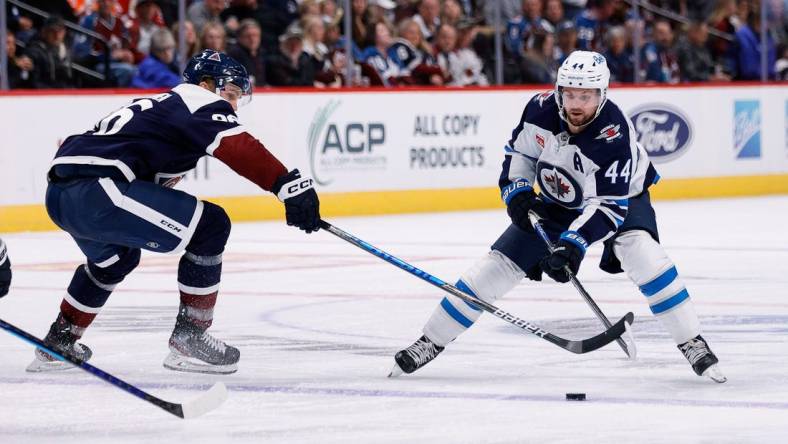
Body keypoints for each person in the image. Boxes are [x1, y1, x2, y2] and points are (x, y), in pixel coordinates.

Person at [391, 50, 726, 384]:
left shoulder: (613, 134)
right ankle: (429, 341)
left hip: (622, 198)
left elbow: (608, 207)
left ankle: (691, 341)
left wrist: (572, 245)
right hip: (558, 197)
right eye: (570, 94)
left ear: (602, 94)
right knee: (493, 269)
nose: (577, 104)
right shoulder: (540, 109)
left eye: (586, 96)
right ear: (558, 91)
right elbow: (520, 153)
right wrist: (518, 191)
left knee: (645, 258)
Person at [28, 50, 321, 375]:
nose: (233, 105)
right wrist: (288, 185)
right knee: (210, 225)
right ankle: (190, 337)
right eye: (232, 93)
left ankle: (59, 341)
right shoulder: (196, 99)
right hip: (100, 191)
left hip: (60, 196)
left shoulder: (163, 107)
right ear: (208, 83)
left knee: (116, 260)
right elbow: (238, 147)